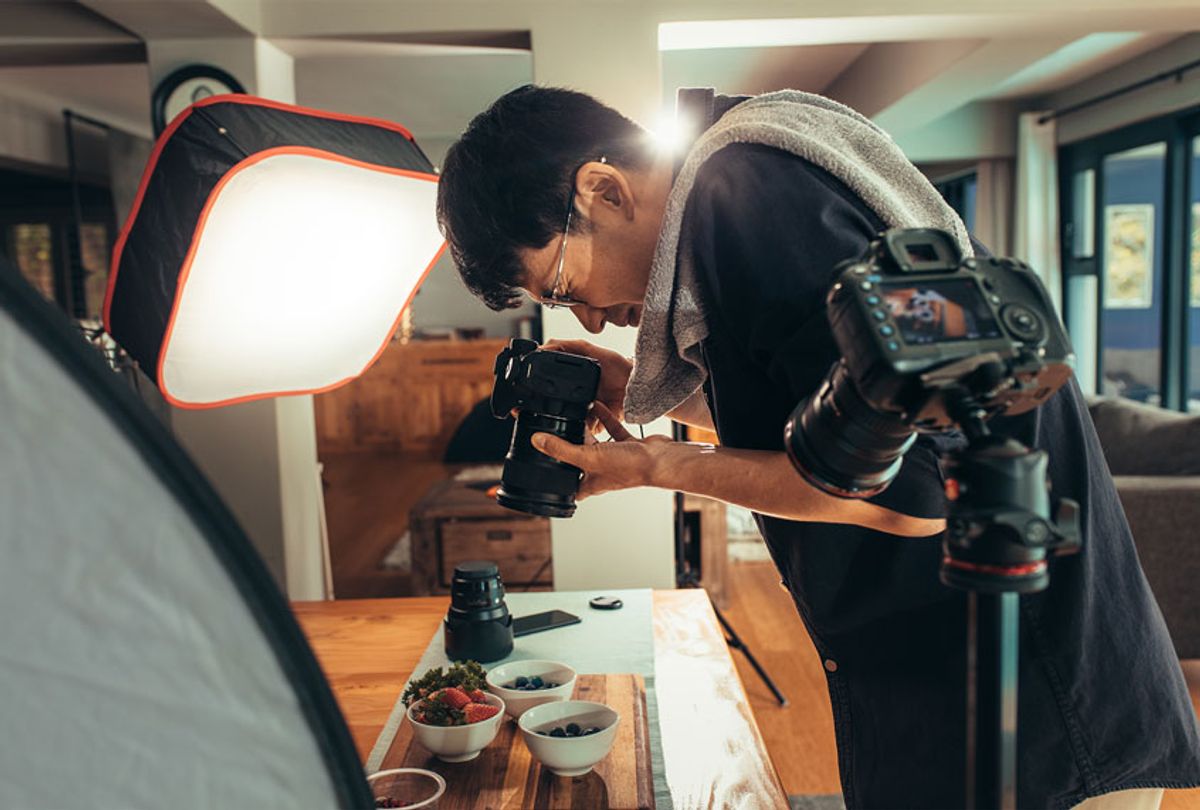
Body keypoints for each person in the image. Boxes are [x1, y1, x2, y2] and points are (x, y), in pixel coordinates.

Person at [435, 85, 1200, 809]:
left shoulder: (744, 196)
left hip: (1035, 722)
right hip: (996, 693)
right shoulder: (757, 158)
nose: (592, 321)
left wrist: (655, 465)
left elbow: (912, 491)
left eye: (564, 288)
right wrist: (645, 387)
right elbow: (827, 420)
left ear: (604, 190)